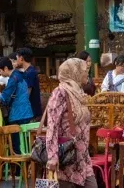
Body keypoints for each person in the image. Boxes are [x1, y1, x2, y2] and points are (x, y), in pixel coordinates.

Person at [44, 58, 94, 188]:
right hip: (66, 158)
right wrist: (52, 156)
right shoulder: (60, 93)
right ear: (74, 72)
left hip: (82, 157)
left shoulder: (79, 93)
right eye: (84, 70)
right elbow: (52, 126)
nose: (87, 73)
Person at [0, 57, 32, 154]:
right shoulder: (20, 75)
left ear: (5, 68)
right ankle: (26, 167)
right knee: (25, 145)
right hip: (27, 113)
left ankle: (19, 168)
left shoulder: (13, 79)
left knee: (16, 146)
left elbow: (4, 97)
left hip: (17, 115)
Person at [15, 48, 42, 120]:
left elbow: (26, 93)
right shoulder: (28, 71)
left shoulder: (30, 73)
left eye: (16, 58)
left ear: (21, 58)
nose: (16, 61)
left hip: (31, 112)